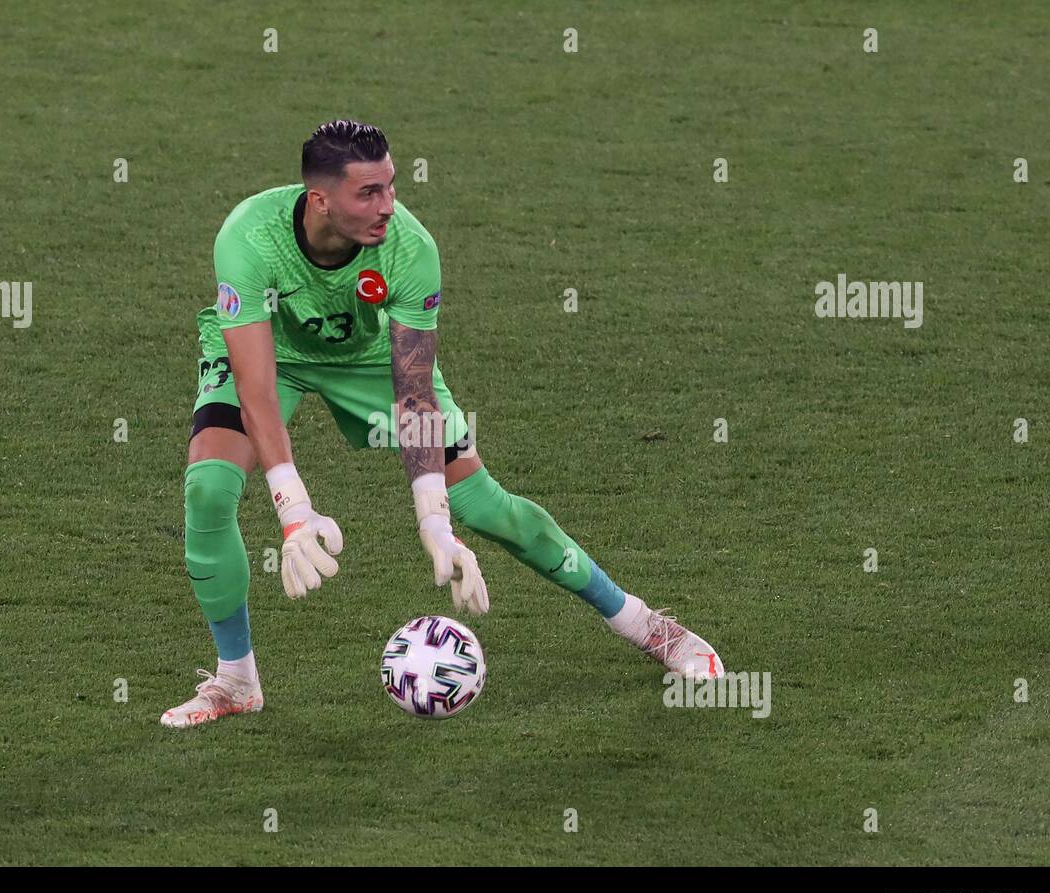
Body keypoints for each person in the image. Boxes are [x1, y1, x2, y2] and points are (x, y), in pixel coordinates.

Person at [162, 120, 724, 728]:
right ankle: (236, 681)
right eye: (368, 193)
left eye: (391, 187)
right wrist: (293, 510)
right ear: (320, 200)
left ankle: (646, 624)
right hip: (275, 354)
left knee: (485, 507)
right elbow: (256, 387)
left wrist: (435, 519)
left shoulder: (410, 249)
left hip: (372, 361)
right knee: (208, 490)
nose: (388, 206)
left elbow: (413, 393)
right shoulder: (249, 236)